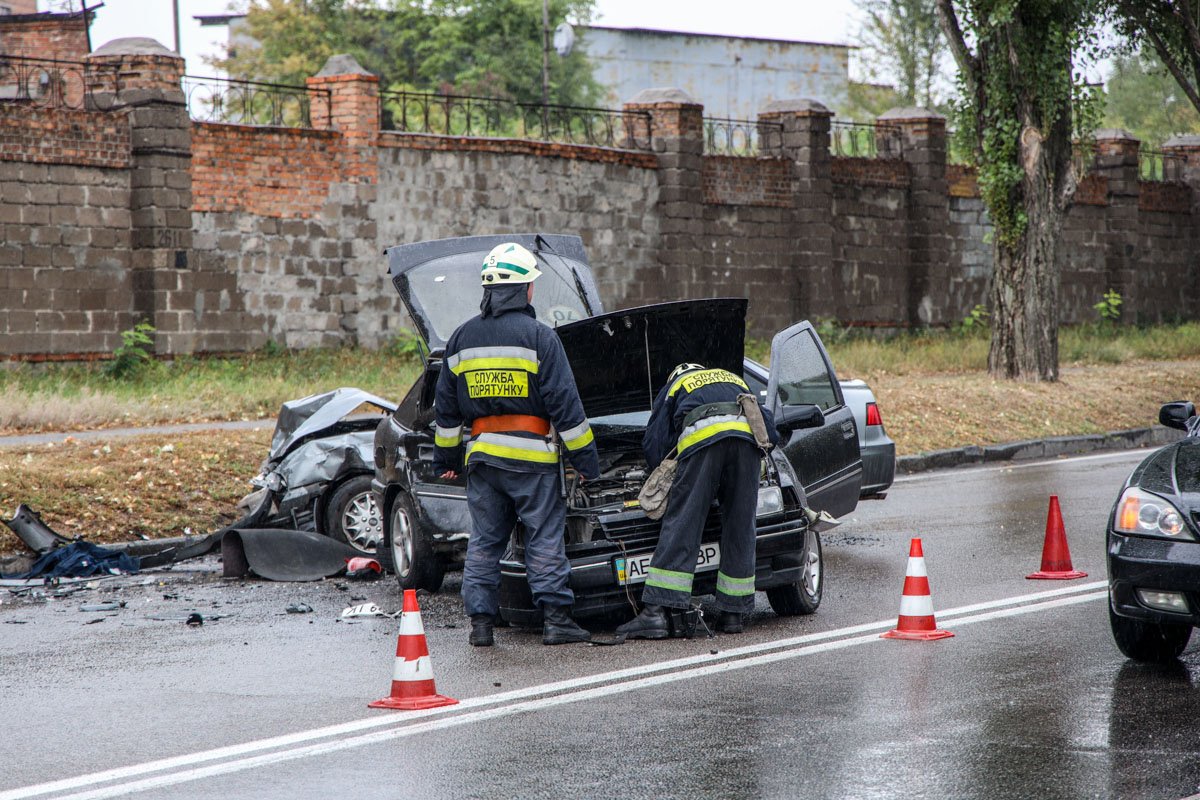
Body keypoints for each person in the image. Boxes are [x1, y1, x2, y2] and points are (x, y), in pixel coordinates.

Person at [433, 242, 600, 647]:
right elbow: (566, 406)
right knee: (544, 536)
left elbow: (446, 410)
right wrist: (586, 463)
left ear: (490, 290)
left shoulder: (461, 339)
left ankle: (481, 626)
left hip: (484, 460)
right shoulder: (539, 337)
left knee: (485, 541)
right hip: (531, 461)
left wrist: (447, 459)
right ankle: (556, 620)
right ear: (525, 289)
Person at [617, 362, 777, 639]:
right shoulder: (732, 379)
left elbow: (656, 442)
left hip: (703, 439)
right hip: (747, 444)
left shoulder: (675, 385)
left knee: (684, 521)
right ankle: (733, 614)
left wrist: (663, 474)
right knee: (741, 526)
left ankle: (655, 612)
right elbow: (769, 429)